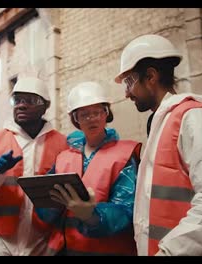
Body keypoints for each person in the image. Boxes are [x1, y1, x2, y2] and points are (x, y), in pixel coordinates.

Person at [114, 34, 202, 256]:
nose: (126, 93)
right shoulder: (162, 123)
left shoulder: (195, 119)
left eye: (129, 81)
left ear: (150, 76)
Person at [36, 81, 142, 256]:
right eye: (84, 114)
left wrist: (92, 215)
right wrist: (50, 206)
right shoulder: (64, 157)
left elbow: (126, 210)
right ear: (75, 119)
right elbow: (45, 208)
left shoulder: (124, 156)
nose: (92, 118)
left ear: (106, 114)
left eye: (97, 112)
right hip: (69, 250)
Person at [0, 76, 68, 256]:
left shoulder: (61, 144)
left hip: (41, 243)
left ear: (45, 106)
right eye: (17, 99)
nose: (21, 105)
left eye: (30, 100)